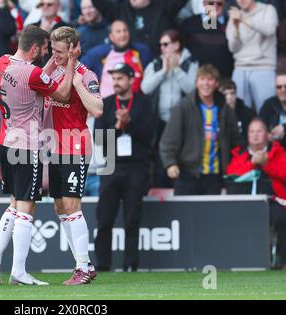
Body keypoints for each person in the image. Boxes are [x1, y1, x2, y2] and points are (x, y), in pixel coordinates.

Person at [0, 25, 77, 285]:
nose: (46, 53)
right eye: (44, 49)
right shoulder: (32, 73)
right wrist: (70, 63)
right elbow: (64, 93)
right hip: (26, 146)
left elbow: (21, 84)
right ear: (34, 48)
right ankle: (18, 272)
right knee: (26, 207)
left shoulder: (2, 62)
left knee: (14, 203)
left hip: (6, 141)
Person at [43, 27, 103, 285]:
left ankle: (82, 267)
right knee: (59, 207)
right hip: (55, 146)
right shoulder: (53, 70)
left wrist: (77, 83)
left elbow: (98, 109)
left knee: (71, 205)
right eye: (52, 50)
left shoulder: (85, 75)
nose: (54, 55)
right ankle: (85, 264)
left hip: (75, 145)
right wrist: (56, 60)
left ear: (73, 49)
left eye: (59, 51)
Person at [94, 63, 155, 272]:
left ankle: (130, 264)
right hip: (110, 165)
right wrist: (118, 128)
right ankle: (102, 264)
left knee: (132, 218)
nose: (116, 82)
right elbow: (100, 141)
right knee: (104, 219)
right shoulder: (106, 104)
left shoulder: (144, 103)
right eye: (114, 78)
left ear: (131, 79)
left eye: (120, 78)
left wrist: (130, 124)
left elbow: (150, 137)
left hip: (136, 167)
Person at [160, 64, 244, 195]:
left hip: (215, 175)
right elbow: (169, 139)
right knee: (185, 214)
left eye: (210, 79)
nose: (206, 83)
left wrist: (236, 165)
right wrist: (170, 163)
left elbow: (236, 140)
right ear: (196, 82)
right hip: (188, 173)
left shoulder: (224, 108)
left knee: (210, 215)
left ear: (216, 84)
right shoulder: (184, 106)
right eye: (202, 79)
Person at [141, 29, 198, 187]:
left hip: (185, 120)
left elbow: (193, 89)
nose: (163, 48)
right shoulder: (156, 63)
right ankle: (162, 189)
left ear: (177, 45)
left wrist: (177, 70)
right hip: (161, 120)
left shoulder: (190, 62)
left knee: (184, 156)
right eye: (161, 45)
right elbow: (145, 88)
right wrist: (164, 72)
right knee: (162, 158)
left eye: (166, 44)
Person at [226, 118, 286, 269]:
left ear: (267, 134)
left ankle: (282, 259)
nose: (255, 135)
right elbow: (232, 175)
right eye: (252, 131)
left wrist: (267, 164)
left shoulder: (277, 151)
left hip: (274, 201)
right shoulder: (240, 153)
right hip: (245, 202)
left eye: (259, 131)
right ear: (247, 135)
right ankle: (236, 259)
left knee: (282, 219)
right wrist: (252, 163)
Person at [226, 0, 279, 112]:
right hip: (240, 69)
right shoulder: (233, 16)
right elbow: (233, 48)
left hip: (263, 67)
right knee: (238, 113)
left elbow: (269, 30)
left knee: (267, 112)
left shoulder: (268, 10)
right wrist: (236, 28)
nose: (242, 0)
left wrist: (243, 19)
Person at [81, 20, 152, 99]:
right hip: (105, 105)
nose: (123, 34)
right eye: (118, 31)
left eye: (125, 30)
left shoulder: (141, 52)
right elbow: (79, 71)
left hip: (134, 104)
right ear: (111, 37)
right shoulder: (99, 53)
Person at [91, 0, 180, 55]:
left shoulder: (164, 8)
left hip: (157, 65)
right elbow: (99, 2)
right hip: (129, 67)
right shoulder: (120, 10)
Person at [180, 0, 235, 79]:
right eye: (211, 3)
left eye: (219, 3)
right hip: (196, 80)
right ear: (204, 3)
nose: (215, 6)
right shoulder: (188, 24)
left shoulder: (232, 23)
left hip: (224, 80)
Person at [259, 72, 286, 148]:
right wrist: (266, 134)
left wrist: (284, 127)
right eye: (279, 87)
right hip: (274, 151)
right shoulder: (269, 104)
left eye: (285, 86)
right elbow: (260, 123)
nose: (283, 90)